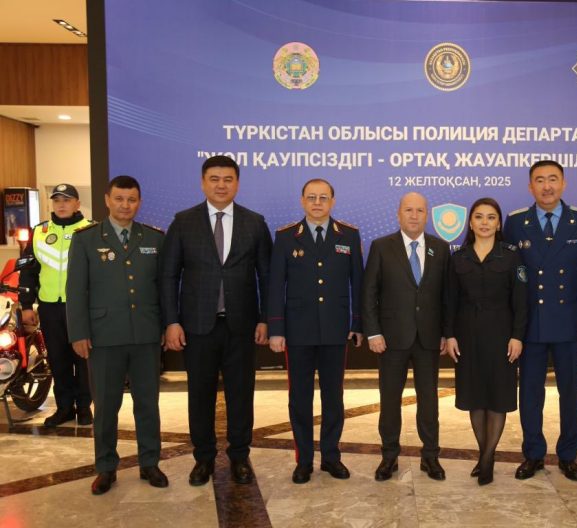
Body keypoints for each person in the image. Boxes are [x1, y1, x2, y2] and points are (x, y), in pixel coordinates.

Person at [160, 155, 272, 486]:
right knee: (200, 394)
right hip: (197, 327)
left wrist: (266, 319)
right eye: (214, 179)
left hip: (242, 326)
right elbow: (168, 276)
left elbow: (266, 276)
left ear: (237, 183)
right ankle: (204, 458)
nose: (221, 185)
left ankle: (240, 456)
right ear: (202, 182)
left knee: (241, 394)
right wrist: (171, 321)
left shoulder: (255, 222)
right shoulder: (184, 222)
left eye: (227, 179)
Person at [66, 175, 167, 495]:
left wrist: (166, 326)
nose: (126, 205)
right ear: (107, 200)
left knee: (147, 404)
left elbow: (163, 288)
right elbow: (76, 290)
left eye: (132, 199)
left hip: (146, 335)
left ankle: (149, 462)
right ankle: (106, 467)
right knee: (106, 406)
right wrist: (79, 332)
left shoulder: (154, 238)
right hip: (104, 336)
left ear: (139, 202)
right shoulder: (86, 239)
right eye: (120, 199)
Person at [502, 159, 577, 482]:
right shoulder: (516, 222)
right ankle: (533, 454)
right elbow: (510, 276)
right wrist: (512, 326)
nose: (547, 186)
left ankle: (568, 455)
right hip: (530, 324)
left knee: (569, 393)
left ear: (564, 183)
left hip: (569, 323)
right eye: (540, 180)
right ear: (530, 186)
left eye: (553, 179)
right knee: (530, 393)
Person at [267, 178, 364, 484]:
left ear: (332, 202)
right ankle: (304, 460)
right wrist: (276, 328)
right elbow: (275, 286)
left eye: (323, 197)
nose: (317, 203)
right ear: (302, 201)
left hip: (336, 330)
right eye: (312, 197)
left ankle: (331, 456)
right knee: (300, 398)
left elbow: (358, 283)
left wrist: (357, 323)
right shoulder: (286, 237)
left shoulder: (348, 235)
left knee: (334, 397)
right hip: (298, 331)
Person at [362, 192, 450, 482]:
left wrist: (446, 333)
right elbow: (369, 293)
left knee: (429, 401)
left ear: (427, 215)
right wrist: (373, 331)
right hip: (391, 339)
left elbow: (447, 296)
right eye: (409, 210)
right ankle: (389, 456)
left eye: (420, 210)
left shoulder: (440, 248)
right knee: (389, 400)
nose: (414, 215)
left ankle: (431, 456)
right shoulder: (381, 246)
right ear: (398, 214)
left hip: (429, 339)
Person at [445, 197, 527, 485]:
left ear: (499, 223)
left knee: (497, 398)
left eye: (491, 217)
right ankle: (485, 455)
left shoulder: (511, 256)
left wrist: (517, 336)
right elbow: (449, 301)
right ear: (470, 223)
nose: (484, 222)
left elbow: (521, 301)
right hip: (467, 336)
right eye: (479, 217)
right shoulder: (458, 257)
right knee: (475, 398)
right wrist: (449, 335)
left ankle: (488, 460)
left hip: (501, 335)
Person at [19, 184, 93, 427]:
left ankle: (84, 407)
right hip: (50, 307)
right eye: (57, 200)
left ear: (77, 204)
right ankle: (64, 408)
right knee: (58, 360)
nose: (61, 204)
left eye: (67, 200)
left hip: (82, 307)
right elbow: (28, 271)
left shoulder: (91, 230)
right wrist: (26, 305)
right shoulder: (39, 232)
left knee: (83, 360)